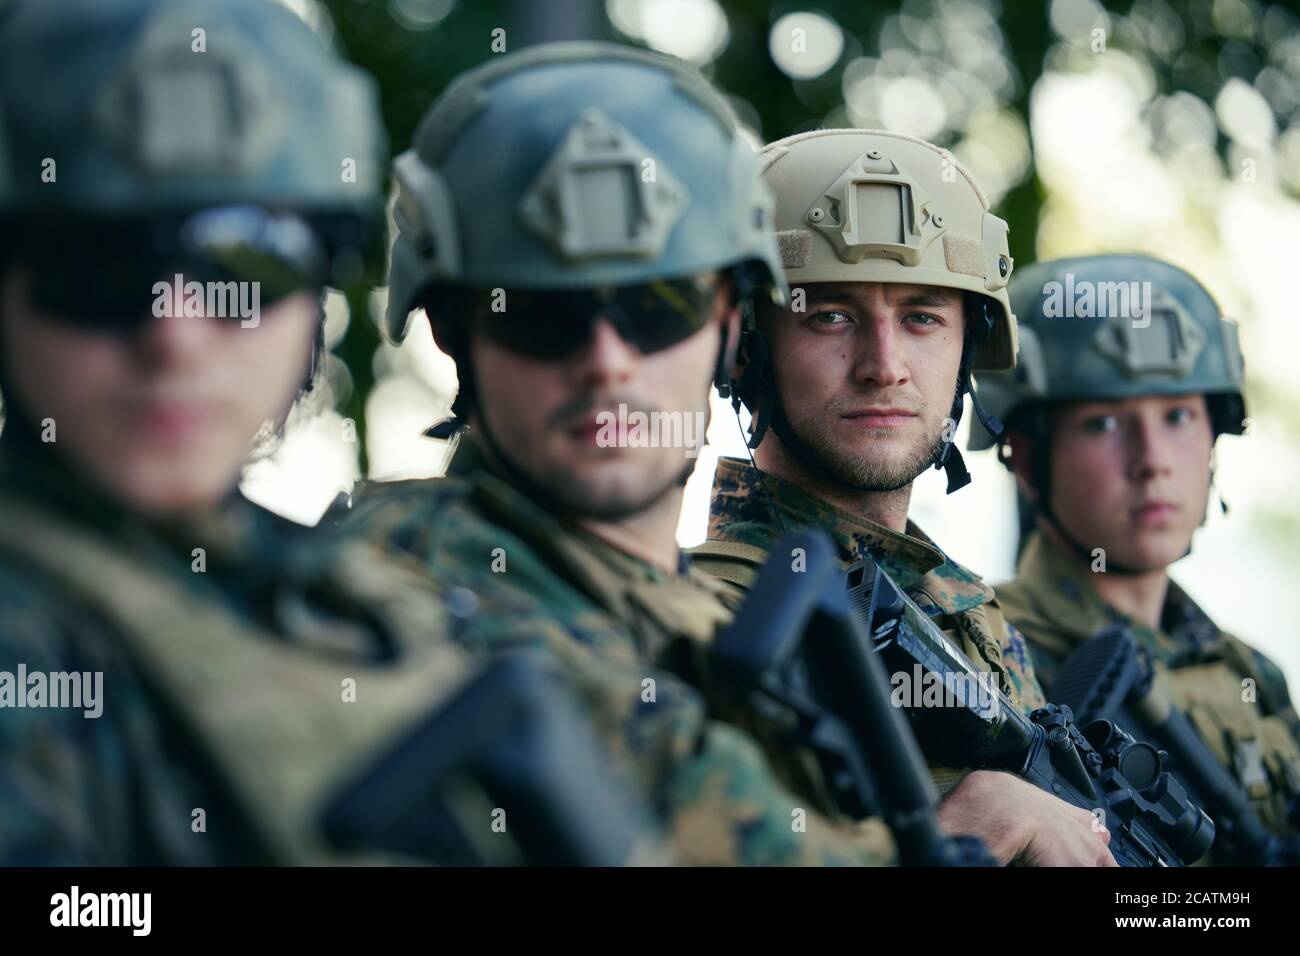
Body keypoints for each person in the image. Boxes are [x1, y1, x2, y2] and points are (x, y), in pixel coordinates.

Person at [0, 0, 650, 866]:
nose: (177, 328)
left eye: (248, 256)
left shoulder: (343, 590)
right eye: (101, 263)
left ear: (320, 289)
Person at [334, 41, 899, 865]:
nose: (605, 359)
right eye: (541, 313)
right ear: (455, 336)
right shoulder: (398, 593)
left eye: (658, 303)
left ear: (731, 325)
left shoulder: (697, 613)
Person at [691, 129, 1115, 866]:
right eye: (829, 315)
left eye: (922, 316)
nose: (884, 366)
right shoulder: (707, 619)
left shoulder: (965, 611)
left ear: (966, 349)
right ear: (748, 346)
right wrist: (979, 825)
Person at [970, 252, 1300, 843]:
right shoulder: (983, 662)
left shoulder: (1247, 673)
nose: (1153, 462)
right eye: (1103, 423)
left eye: (1177, 415)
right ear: (1024, 454)